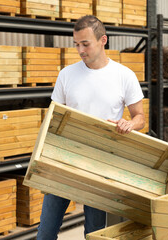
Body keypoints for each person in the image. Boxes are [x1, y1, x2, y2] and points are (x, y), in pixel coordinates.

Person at [36, 15, 145, 240]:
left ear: (103, 40)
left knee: (95, 233)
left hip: (101, 163)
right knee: (45, 233)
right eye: (76, 44)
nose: (80, 50)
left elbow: (140, 117)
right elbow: (54, 117)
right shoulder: (67, 74)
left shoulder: (124, 75)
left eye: (85, 44)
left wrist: (129, 123)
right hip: (65, 159)